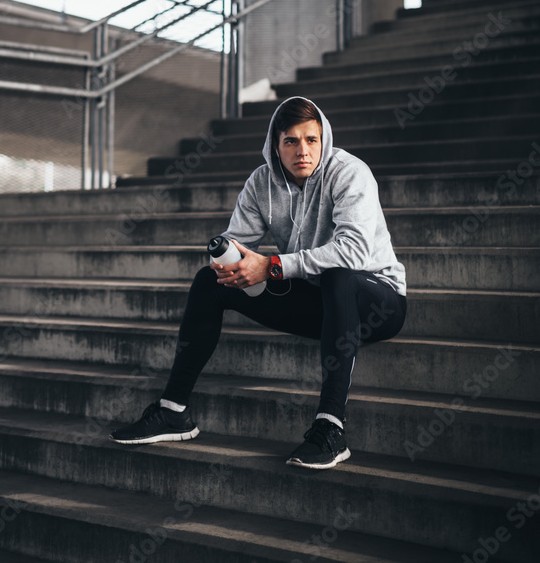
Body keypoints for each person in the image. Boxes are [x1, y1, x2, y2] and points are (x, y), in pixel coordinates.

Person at [110, 95, 407, 469]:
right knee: (209, 282)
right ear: (275, 145)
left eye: (311, 140)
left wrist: (272, 267)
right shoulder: (261, 183)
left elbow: (353, 253)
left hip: (378, 304)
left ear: (323, 139)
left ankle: (330, 427)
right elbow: (241, 239)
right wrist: (230, 258)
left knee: (338, 277)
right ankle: (174, 411)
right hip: (320, 305)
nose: (303, 150)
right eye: (291, 141)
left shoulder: (349, 173)